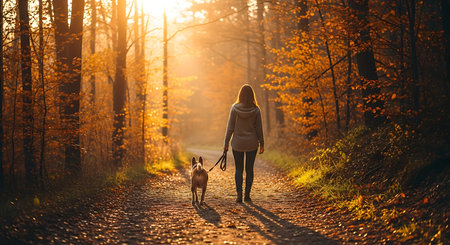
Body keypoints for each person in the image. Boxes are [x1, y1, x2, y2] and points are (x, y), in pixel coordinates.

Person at [224, 84, 264, 203]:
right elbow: (259, 129)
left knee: (239, 169)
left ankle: (239, 195)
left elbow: (230, 128)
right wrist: (262, 143)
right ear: (252, 95)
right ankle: (247, 195)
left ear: (240, 94)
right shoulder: (256, 110)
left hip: (238, 144)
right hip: (252, 143)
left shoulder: (234, 108)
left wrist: (226, 143)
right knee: (249, 169)